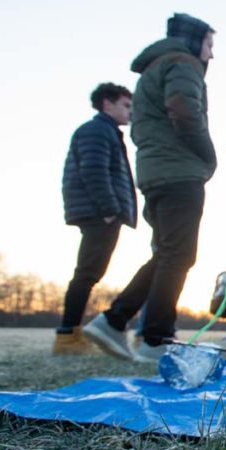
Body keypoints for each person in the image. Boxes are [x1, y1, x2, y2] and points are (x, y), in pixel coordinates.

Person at [84, 13, 217, 363]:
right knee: (180, 254)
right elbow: (185, 111)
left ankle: (115, 321)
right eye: (209, 44)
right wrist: (208, 155)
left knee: (167, 253)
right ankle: (156, 338)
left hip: (155, 173)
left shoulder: (152, 71)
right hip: (178, 173)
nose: (211, 55)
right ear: (194, 41)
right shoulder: (182, 63)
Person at [53, 83, 137, 355]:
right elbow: (93, 170)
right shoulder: (97, 130)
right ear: (107, 103)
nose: (130, 111)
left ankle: (71, 333)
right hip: (99, 213)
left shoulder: (106, 132)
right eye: (126, 105)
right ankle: (67, 336)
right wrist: (110, 208)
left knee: (89, 273)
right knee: (87, 273)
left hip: (99, 212)